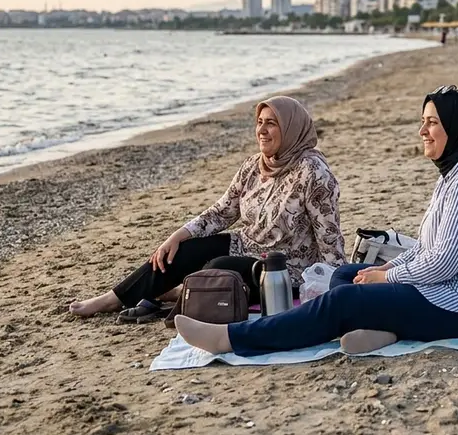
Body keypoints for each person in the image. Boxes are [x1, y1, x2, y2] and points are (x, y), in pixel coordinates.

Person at [173, 86, 458, 356]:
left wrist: (387, 275)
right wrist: (379, 274)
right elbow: (427, 250)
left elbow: (441, 264)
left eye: (432, 122)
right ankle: (385, 329)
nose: (422, 130)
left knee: (342, 300)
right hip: (445, 291)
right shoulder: (456, 171)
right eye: (423, 121)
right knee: (345, 276)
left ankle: (232, 339)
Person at [68, 96, 345, 323]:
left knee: (218, 268)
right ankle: (113, 298)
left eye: (271, 124)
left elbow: (329, 237)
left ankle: (180, 293)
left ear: (292, 128)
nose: (261, 130)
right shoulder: (254, 165)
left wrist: (332, 286)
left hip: (284, 270)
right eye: (259, 122)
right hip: (246, 245)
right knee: (183, 251)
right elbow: (222, 211)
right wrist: (179, 234)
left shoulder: (314, 173)